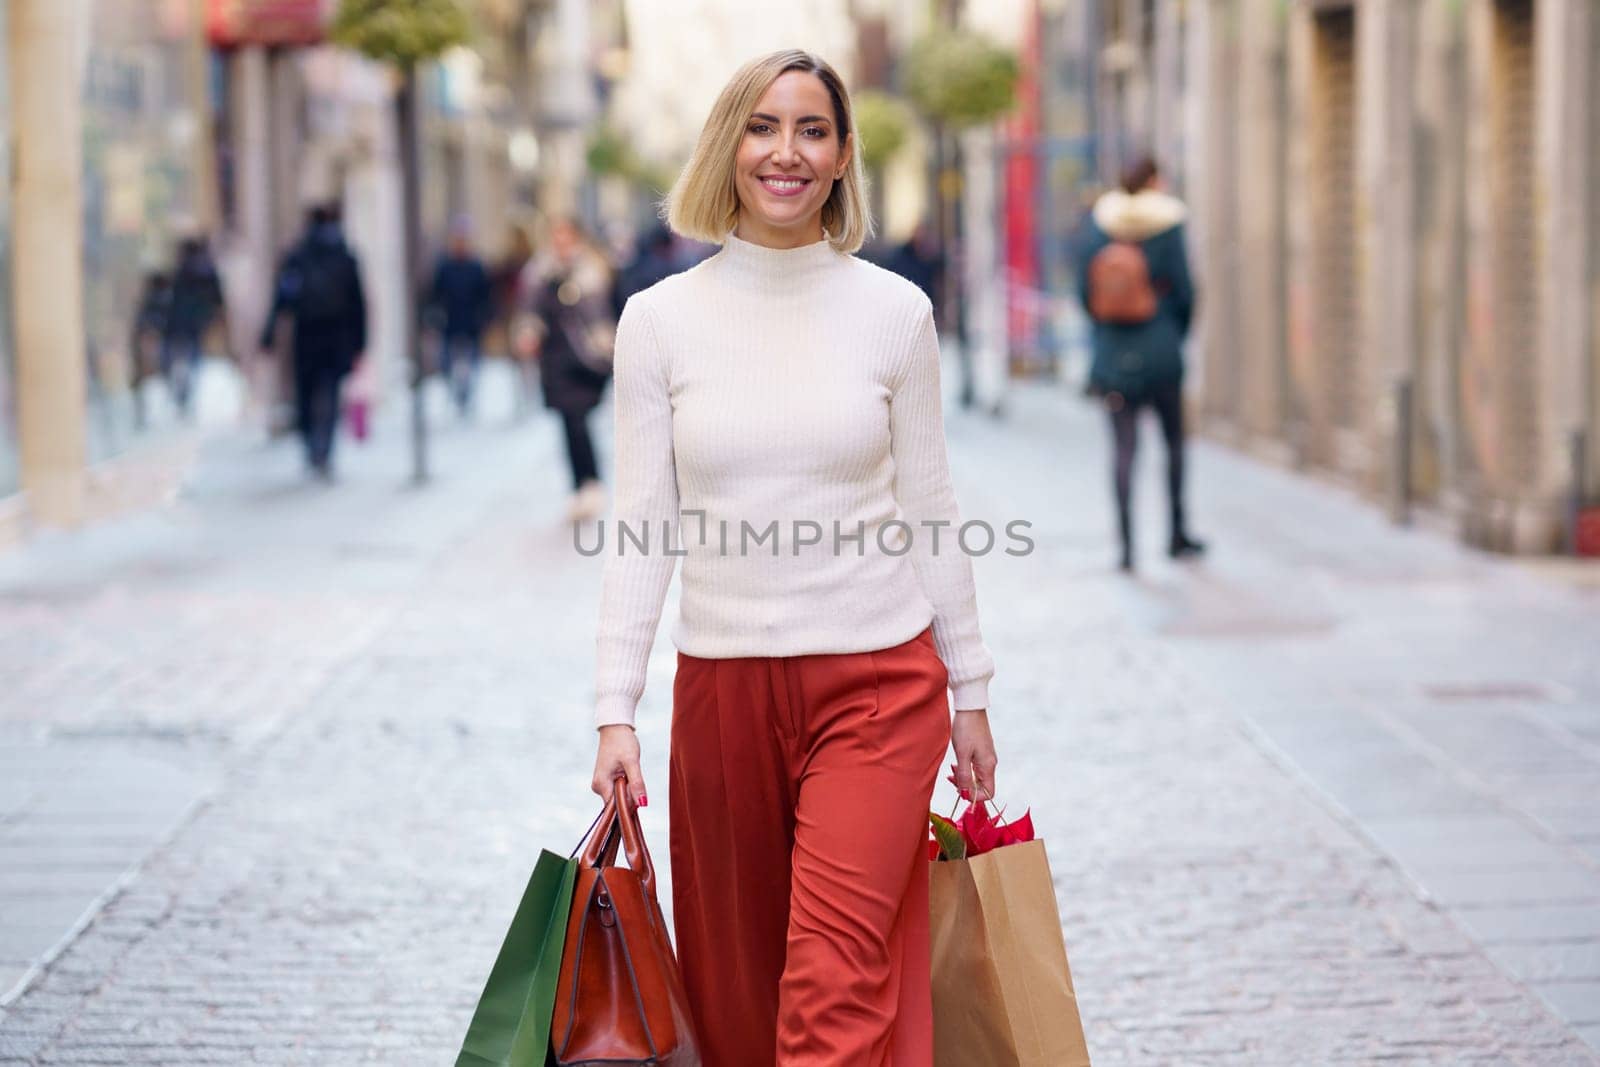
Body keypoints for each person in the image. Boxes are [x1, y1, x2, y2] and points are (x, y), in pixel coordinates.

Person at [587, 50, 997, 1066]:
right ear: (729, 145)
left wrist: (971, 687)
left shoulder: (895, 312)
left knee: (833, 983)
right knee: (735, 1001)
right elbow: (644, 524)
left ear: (843, 154)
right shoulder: (659, 322)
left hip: (876, 687)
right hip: (722, 692)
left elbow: (931, 508)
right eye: (763, 127)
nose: (785, 152)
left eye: (811, 129)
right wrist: (614, 707)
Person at [1076, 156, 1205, 571]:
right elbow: (1186, 292)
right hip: (1163, 350)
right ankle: (1176, 534)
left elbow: (1084, 291)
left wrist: (1106, 332)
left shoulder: (1100, 223)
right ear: (1153, 182)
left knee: (1124, 450)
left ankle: (1127, 549)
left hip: (1114, 355)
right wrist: (1171, 334)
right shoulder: (1169, 224)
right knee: (1174, 444)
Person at [259, 203, 367, 480]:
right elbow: (358, 304)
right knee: (329, 393)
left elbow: (282, 297)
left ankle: (312, 446)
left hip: (307, 334)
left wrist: (269, 332)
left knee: (306, 392)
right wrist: (360, 343)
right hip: (336, 335)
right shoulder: (343, 255)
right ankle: (323, 449)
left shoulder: (299, 255)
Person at [519, 217, 616, 521]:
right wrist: (528, 334)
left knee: (578, 420)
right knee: (568, 421)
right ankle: (582, 485)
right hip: (556, 359)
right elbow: (529, 311)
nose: (561, 242)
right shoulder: (539, 272)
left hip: (587, 359)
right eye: (556, 236)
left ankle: (589, 483)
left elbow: (603, 313)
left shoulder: (593, 270)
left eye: (566, 235)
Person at [427, 219, 493, 415]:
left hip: (471, 321)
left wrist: (485, 317)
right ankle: (456, 394)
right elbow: (435, 293)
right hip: (451, 320)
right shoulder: (445, 266)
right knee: (448, 362)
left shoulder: (476, 266)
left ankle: (466, 395)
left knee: (472, 363)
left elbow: (485, 295)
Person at [164, 235, 227, 417]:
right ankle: (186, 392)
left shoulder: (182, 270)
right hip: (197, 322)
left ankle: (183, 393)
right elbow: (218, 298)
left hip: (180, 322)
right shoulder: (206, 270)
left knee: (179, 359)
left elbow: (174, 298)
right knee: (192, 359)